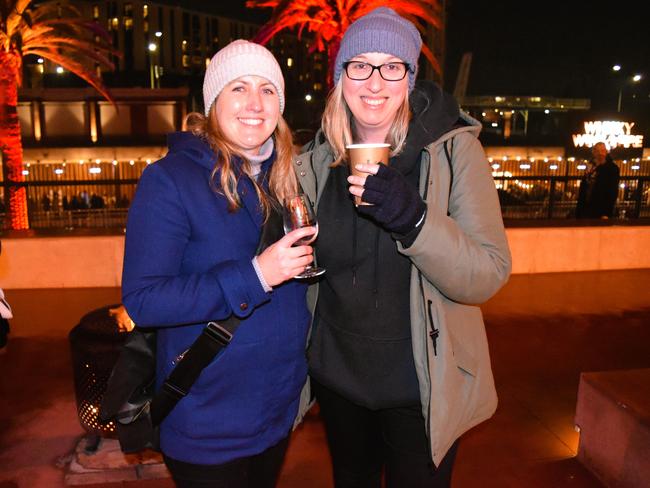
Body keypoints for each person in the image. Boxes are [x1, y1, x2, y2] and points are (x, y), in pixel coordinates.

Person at [294, 8, 512, 487]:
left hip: (423, 384)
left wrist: (415, 220)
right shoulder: (313, 161)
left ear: (410, 77)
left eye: (392, 66)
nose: (375, 82)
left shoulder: (454, 151)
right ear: (341, 77)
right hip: (339, 379)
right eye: (360, 65)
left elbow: (487, 273)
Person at [121, 40, 316, 488]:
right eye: (238, 88)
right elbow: (144, 300)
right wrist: (256, 275)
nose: (254, 103)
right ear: (213, 102)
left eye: (268, 90)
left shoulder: (287, 177)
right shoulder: (169, 180)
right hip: (207, 418)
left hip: (277, 408)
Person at [575, 142, 620, 219]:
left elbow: (613, 191)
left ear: (606, 152)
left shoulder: (612, 168)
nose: (600, 153)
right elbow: (584, 186)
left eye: (602, 151)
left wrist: (606, 212)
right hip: (586, 207)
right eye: (597, 151)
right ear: (594, 152)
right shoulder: (591, 166)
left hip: (601, 208)